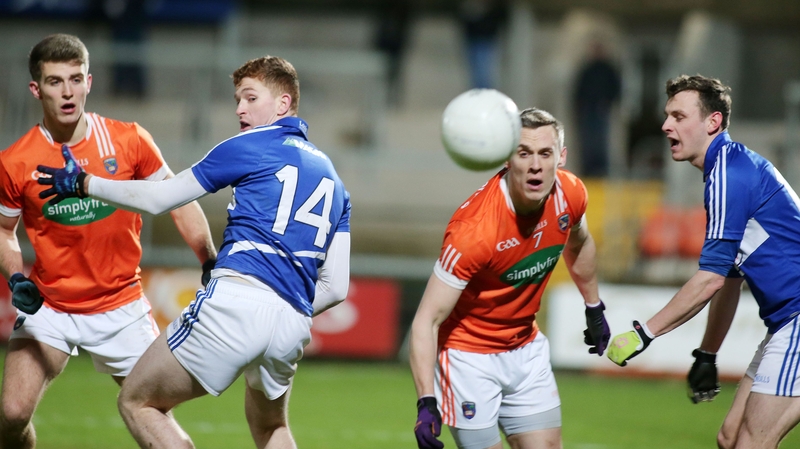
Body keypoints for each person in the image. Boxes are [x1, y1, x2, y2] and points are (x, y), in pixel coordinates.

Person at [37, 54, 352, 448]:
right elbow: (336, 287)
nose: (240, 108)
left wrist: (85, 183)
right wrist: (283, 304)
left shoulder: (250, 145)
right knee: (272, 428)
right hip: (293, 322)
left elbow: (161, 198)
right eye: (238, 99)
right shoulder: (334, 180)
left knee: (138, 401)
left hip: (237, 301)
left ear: (283, 104)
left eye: (251, 98)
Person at [0, 33, 217, 449]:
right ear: (36, 88)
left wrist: (208, 257)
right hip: (52, 306)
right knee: (10, 415)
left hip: (122, 307)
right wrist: (15, 277)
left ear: (89, 82)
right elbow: (3, 231)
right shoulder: (15, 162)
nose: (68, 92)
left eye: (75, 79)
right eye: (55, 81)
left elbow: (178, 200)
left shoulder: (129, 140)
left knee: (156, 418)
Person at [607, 74, 800, 449]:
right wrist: (708, 354)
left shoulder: (729, 173)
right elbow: (729, 278)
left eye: (679, 116)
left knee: (750, 443)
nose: (666, 125)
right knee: (731, 438)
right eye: (667, 116)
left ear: (713, 122)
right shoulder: (727, 170)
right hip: (786, 324)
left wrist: (644, 333)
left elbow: (709, 279)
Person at [410, 107, 610, 449]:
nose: (535, 165)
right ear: (507, 159)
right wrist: (426, 401)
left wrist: (594, 306)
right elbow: (426, 320)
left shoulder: (571, 194)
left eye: (545, 153)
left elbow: (581, 244)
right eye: (524, 153)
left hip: (524, 347)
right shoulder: (473, 232)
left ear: (561, 157)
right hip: (467, 358)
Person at [573, 41, 621, 178]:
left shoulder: (608, 69)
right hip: (588, 110)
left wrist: (608, 102)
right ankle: (588, 169)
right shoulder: (587, 69)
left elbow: (615, 88)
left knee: (601, 141)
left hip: (602, 110)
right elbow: (579, 90)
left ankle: (600, 170)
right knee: (588, 141)